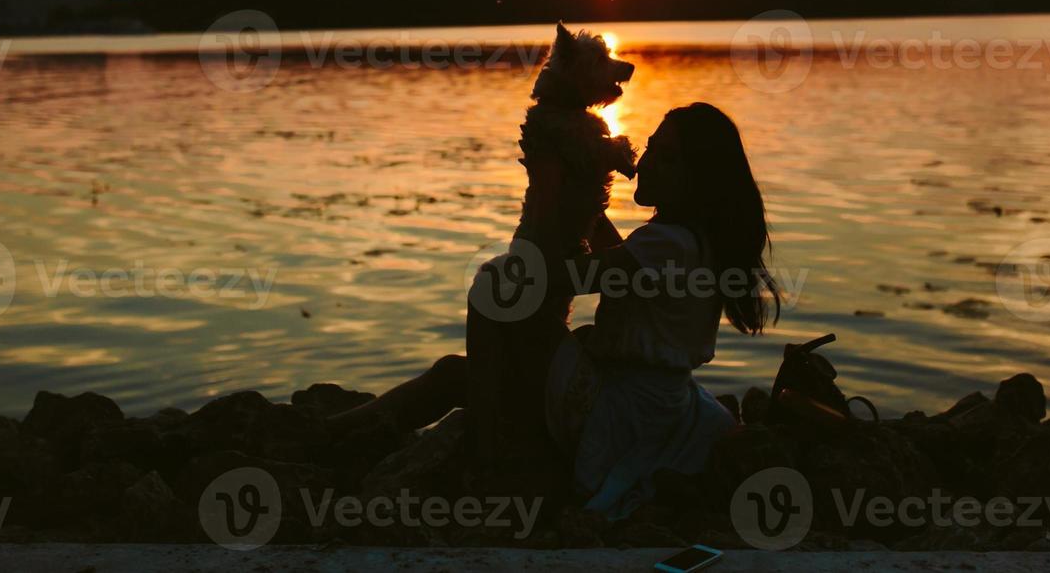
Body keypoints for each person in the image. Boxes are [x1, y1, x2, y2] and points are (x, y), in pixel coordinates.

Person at [323, 102, 782, 518]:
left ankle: (486, 456)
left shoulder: (669, 243)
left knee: (494, 288)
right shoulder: (687, 240)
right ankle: (332, 433)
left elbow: (560, 278)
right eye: (651, 150)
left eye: (669, 160)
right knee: (454, 374)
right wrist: (583, 196)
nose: (645, 165)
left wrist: (547, 193)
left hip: (618, 411)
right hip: (653, 403)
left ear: (700, 180)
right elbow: (619, 264)